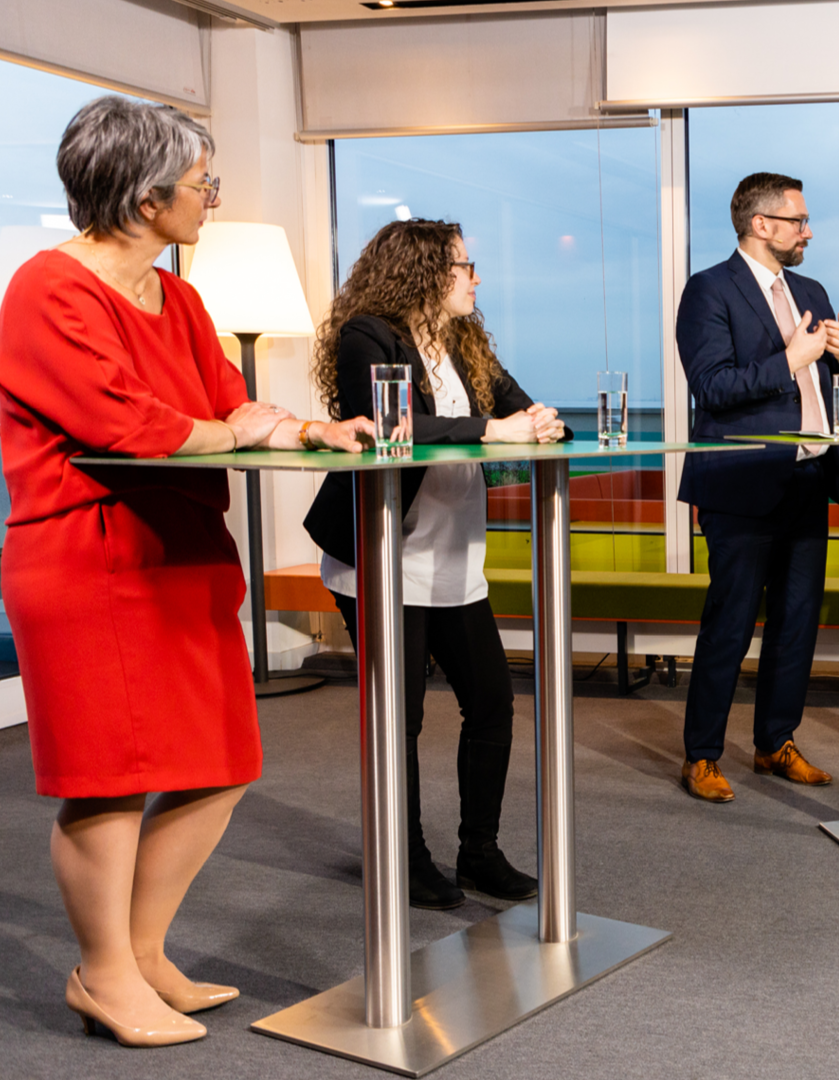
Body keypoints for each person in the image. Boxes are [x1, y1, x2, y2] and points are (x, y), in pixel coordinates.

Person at [0, 97, 373, 1047]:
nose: (212, 198)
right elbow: (126, 426)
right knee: (110, 780)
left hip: (187, 556)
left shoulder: (184, 299)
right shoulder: (49, 289)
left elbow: (230, 408)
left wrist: (305, 429)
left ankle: (142, 952)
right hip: (91, 558)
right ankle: (103, 975)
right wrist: (222, 432)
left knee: (222, 765)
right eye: (204, 183)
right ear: (145, 195)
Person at [303, 219, 567, 908]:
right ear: (422, 271)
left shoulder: (465, 341)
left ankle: (479, 852)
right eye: (464, 265)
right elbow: (389, 426)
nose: (476, 278)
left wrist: (544, 422)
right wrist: (492, 429)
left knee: (492, 703)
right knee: (402, 716)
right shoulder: (367, 334)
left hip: (453, 558)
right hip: (383, 557)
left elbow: (517, 408)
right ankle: (405, 855)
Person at [674, 172, 839, 802]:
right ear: (761, 224)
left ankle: (775, 743)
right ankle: (701, 756)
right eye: (798, 221)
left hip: (809, 477)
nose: (808, 231)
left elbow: (833, 376)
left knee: (796, 623)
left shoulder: (811, 290)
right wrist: (791, 360)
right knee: (729, 625)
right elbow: (712, 387)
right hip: (740, 485)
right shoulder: (708, 289)